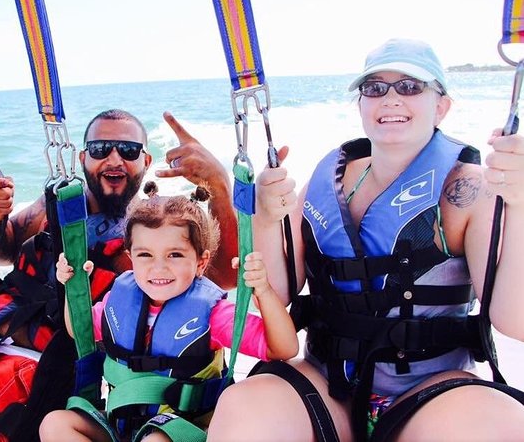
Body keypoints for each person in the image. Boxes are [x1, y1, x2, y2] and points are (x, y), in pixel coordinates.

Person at [207, 38, 524, 441]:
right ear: (361, 104)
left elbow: (515, 321)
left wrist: (518, 205)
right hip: (327, 385)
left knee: (501, 427)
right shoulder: (328, 181)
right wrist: (269, 219)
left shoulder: (468, 191)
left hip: (429, 394)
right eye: (375, 88)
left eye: (410, 87)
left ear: (441, 105)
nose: (390, 99)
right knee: (244, 408)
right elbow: (279, 290)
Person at [0, 109, 238, 442]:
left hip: (34, 358)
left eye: (129, 150)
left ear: (145, 159)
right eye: (102, 150)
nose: (114, 159)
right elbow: (1, 252)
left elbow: (221, 277)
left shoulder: (151, 228)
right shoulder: (55, 205)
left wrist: (218, 183)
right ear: (84, 157)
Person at [38, 182, 298, 442]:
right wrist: (74, 289)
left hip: (179, 431)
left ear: (201, 262)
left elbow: (284, 349)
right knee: (55, 424)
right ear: (131, 257)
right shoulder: (118, 301)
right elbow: (78, 331)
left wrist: (262, 291)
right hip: (123, 427)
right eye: (145, 255)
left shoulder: (213, 315)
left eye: (174, 254)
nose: (158, 268)